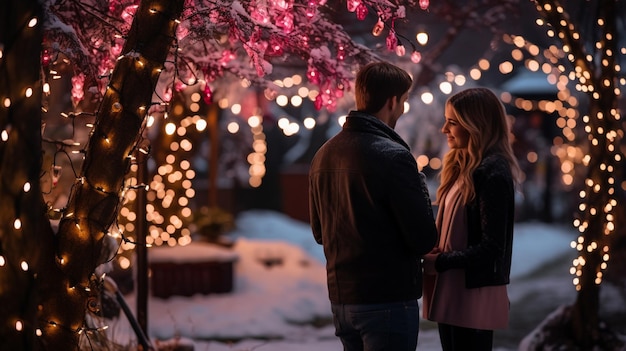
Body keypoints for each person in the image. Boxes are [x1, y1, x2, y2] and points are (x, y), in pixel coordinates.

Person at [309, 61, 438, 351]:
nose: (403, 109)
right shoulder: (394, 156)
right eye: (403, 101)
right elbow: (423, 238)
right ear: (392, 101)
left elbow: (320, 232)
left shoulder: (323, 154)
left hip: (342, 298)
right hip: (388, 299)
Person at [422, 87, 521, 351]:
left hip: (474, 294)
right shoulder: (461, 168)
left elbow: (492, 248)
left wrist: (440, 262)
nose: (444, 129)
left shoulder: (492, 173)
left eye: (452, 122)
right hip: (454, 291)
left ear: (476, 125)